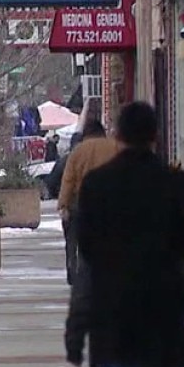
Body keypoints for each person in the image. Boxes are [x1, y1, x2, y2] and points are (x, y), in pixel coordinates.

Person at [69, 101, 184, 367]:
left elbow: (89, 259)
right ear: (156, 136)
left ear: (119, 136)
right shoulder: (175, 184)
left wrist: (77, 326)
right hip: (163, 310)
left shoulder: (96, 186)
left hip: (113, 315)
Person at [55, 119, 119, 284]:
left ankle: (78, 272)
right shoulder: (114, 148)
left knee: (79, 240)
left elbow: (68, 180)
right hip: (109, 202)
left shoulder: (78, 151)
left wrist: (64, 204)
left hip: (81, 202)